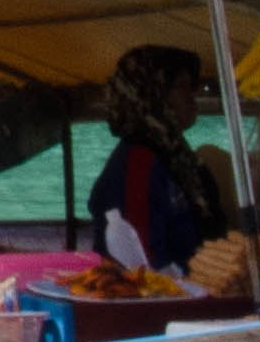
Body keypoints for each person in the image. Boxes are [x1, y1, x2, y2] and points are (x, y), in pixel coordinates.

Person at [84, 45, 220, 273]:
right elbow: (142, 262)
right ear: (151, 95)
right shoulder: (139, 162)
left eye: (192, 88)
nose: (192, 97)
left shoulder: (177, 155)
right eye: (181, 87)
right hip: (169, 299)